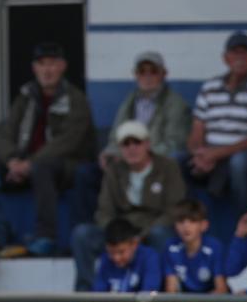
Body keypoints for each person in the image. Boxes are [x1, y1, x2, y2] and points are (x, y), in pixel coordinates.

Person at [0, 42, 96, 256]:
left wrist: (29, 164)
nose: (47, 70)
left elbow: (69, 142)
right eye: (42, 64)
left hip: (67, 165)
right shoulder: (25, 96)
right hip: (26, 163)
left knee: (42, 168)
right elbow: (5, 134)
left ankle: (46, 237)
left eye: (52, 64)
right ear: (35, 68)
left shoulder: (75, 99)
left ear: (62, 67)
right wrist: (12, 161)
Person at [73, 51, 191, 224]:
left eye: (153, 71)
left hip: (158, 163)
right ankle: (91, 230)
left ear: (164, 74)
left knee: (175, 160)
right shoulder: (129, 101)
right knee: (86, 173)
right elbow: (115, 136)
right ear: (135, 75)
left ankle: (153, 225)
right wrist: (110, 152)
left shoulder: (176, 103)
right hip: (127, 160)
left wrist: (137, 154)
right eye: (142, 71)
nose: (147, 76)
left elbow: (174, 144)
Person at [71, 120, 184, 292]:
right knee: (82, 235)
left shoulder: (167, 167)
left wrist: (139, 237)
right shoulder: (114, 170)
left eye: (136, 142)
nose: (132, 148)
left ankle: (158, 295)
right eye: (126, 144)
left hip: (152, 230)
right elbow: (104, 211)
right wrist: (120, 236)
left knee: (161, 235)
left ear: (147, 143)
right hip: (120, 231)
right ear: (119, 148)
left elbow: (174, 209)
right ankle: (88, 296)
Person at [184, 31, 247, 212]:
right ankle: (191, 220)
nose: (240, 57)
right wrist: (199, 155)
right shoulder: (210, 87)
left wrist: (217, 154)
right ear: (225, 58)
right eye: (235, 52)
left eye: (244, 52)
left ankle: (245, 223)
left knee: (240, 163)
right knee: (176, 160)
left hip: (245, 155)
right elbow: (197, 131)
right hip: (210, 155)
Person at [159, 199, 227, 302]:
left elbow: (221, 288)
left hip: (208, 299)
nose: (186, 226)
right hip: (184, 298)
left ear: (204, 225)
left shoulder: (215, 247)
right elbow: (171, 288)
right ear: (175, 225)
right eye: (181, 221)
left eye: (192, 221)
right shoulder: (170, 247)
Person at [89, 218, 162, 302]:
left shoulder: (149, 257)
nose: (116, 258)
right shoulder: (105, 258)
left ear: (135, 244)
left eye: (121, 252)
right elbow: (97, 298)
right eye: (111, 252)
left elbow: (149, 296)